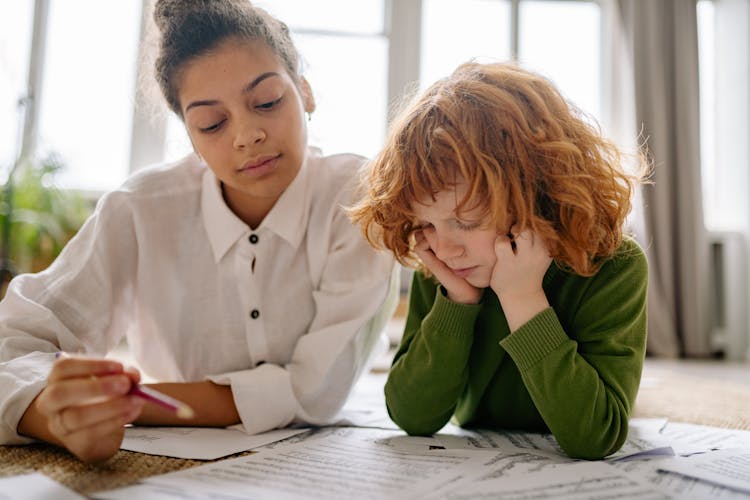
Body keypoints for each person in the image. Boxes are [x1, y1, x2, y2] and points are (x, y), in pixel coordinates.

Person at [0, 0, 395, 463]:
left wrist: (134, 404)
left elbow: (314, 391)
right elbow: (14, 341)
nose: (246, 135)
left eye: (267, 102)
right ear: (189, 136)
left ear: (305, 92)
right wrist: (54, 413)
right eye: (211, 123)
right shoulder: (139, 210)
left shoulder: (356, 198)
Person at [350, 61, 648, 460]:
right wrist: (457, 304)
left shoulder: (615, 267)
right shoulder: (443, 269)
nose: (446, 248)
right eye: (427, 224)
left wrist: (522, 297)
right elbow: (413, 417)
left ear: (539, 192)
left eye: (466, 221)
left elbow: (595, 436)